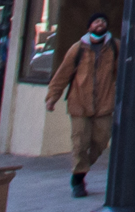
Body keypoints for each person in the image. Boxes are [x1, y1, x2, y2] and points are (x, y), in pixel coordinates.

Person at [44, 12, 119, 197]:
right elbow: (62, 74)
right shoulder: (78, 48)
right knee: (80, 143)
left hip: (104, 104)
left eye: (103, 21)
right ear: (89, 27)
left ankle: (81, 169)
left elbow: (123, 72)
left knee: (101, 141)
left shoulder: (115, 47)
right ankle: (77, 180)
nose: (100, 23)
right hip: (79, 103)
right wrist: (52, 97)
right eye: (96, 21)